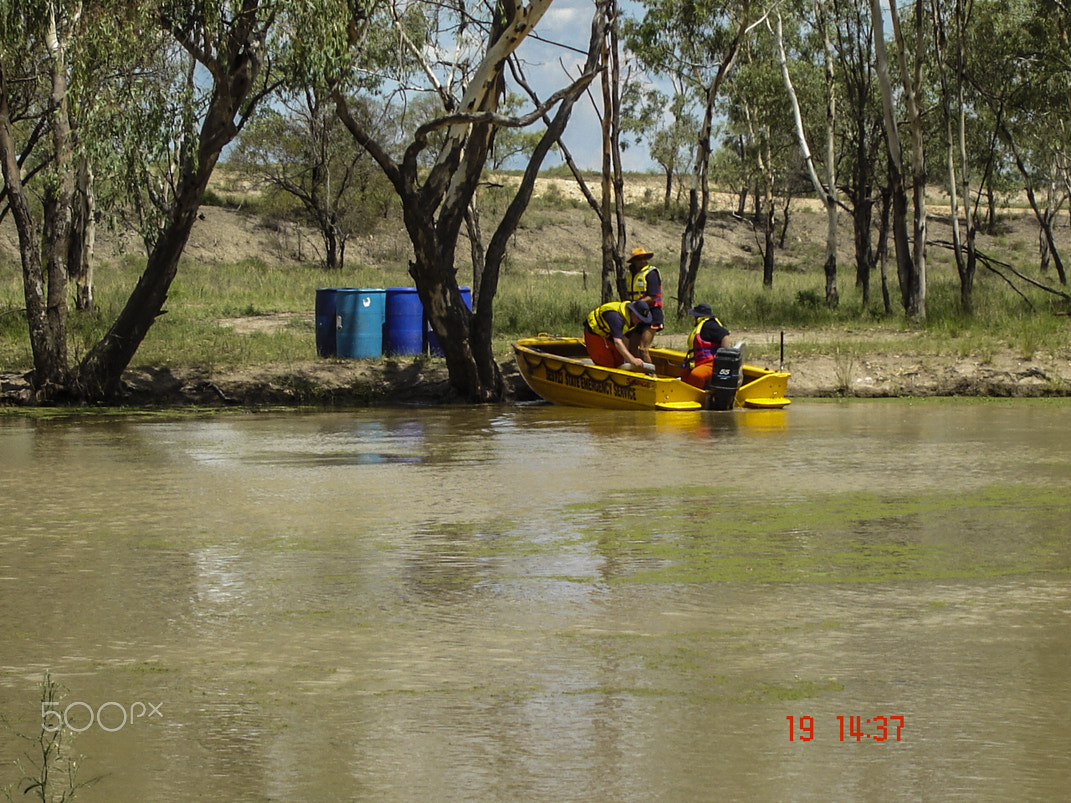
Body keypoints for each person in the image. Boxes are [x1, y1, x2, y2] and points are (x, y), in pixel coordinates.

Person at [583, 299, 653, 370]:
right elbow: (618, 342)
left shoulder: (633, 321)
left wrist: (625, 360)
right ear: (632, 312)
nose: (639, 321)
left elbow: (626, 339)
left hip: (610, 333)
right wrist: (633, 360)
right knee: (606, 363)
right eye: (638, 317)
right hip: (594, 333)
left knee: (619, 361)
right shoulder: (616, 318)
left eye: (642, 319)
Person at [680, 303, 732, 389]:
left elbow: (725, 335)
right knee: (684, 374)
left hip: (711, 363)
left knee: (696, 375)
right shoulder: (703, 325)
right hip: (700, 363)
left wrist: (723, 358)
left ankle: (698, 398)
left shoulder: (709, 325)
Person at [624, 247, 663, 362]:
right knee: (631, 348)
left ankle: (652, 376)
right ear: (634, 261)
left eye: (644, 258)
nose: (642, 261)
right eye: (639, 259)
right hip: (637, 314)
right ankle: (637, 376)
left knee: (643, 349)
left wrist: (636, 304)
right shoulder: (630, 274)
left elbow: (652, 296)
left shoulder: (651, 273)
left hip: (652, 313)